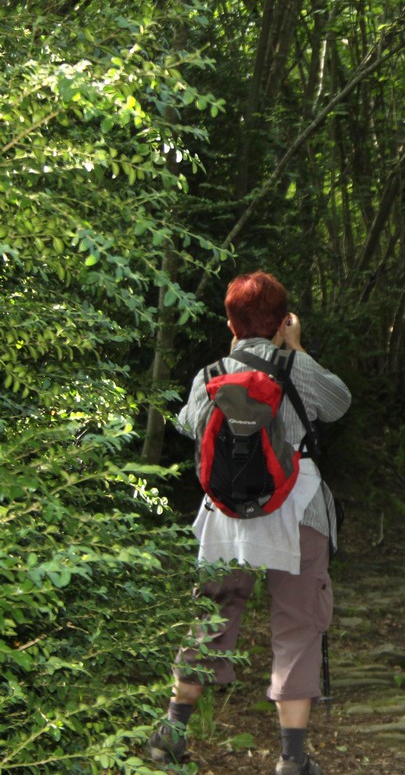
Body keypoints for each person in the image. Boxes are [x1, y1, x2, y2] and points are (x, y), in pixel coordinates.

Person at [146, 272, 352, 775]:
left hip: (227, 516)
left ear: (230, 323)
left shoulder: (212, 372)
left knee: (214, 613)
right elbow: (339, 403)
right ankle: (292, 758)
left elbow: (188, 425)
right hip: (298, 511)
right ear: (283, 322)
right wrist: (296, 349)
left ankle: (171, 733)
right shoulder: (297, 366)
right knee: (298, 623)